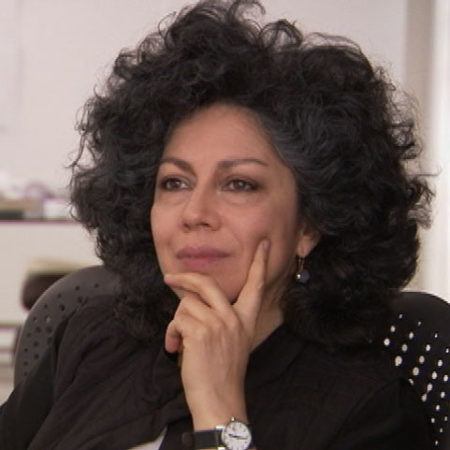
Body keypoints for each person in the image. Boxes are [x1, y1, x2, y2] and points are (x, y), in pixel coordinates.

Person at [0, 0, 434, 449]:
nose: (195, 212)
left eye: (239, 184)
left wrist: (220, 411)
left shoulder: (369, 410)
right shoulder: (91, 337)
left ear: (309, 224)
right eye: (174, 182)